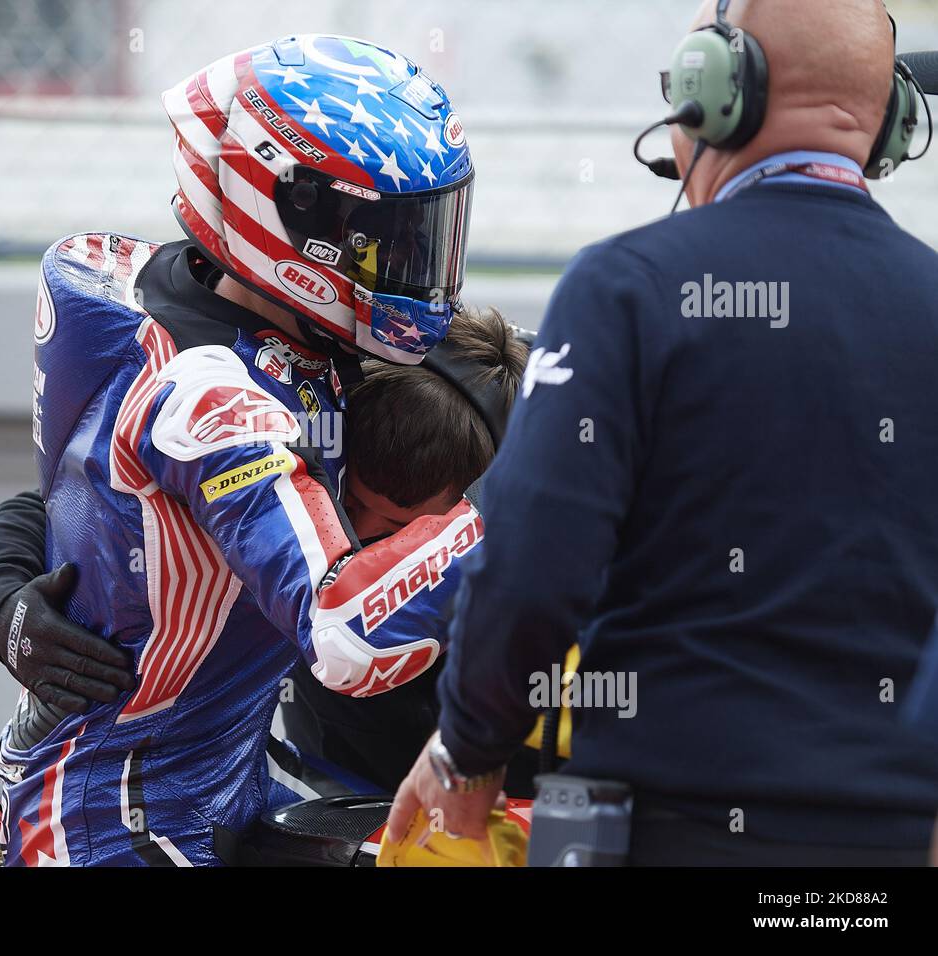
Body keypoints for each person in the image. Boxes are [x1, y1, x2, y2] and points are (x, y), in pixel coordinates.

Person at [389, 0, 938, 865]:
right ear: (888, 122)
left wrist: (468, 749)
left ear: (717, 93)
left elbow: (534, 567)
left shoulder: (627, 291)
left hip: (673, 825)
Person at [0, 35, 483, 866]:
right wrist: (518, 518)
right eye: (391, 236)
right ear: (297, 211)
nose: (418, 268)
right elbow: (348, 634)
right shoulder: (213, 392)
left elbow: (108, 496)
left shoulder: (280, 319)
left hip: (238, 780)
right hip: (122, 820)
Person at [0, 308, 535, 799]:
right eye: (348, 500)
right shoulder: (299, 425)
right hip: (330, 777)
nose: (358, 532)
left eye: (397, 526)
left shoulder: (552, 516)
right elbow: (74, 497)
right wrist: (0, 600)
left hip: (516, 790)